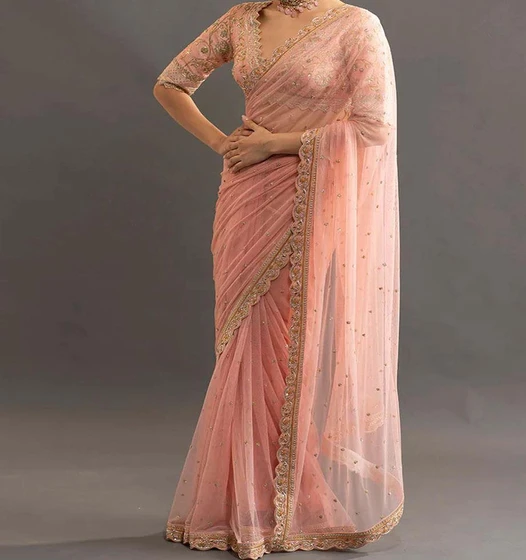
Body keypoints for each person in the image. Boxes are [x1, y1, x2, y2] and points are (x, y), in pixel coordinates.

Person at [153, 1, 403, 558]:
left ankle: (277, 500)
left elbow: (373, 124)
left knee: (281, 340)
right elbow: (171, 83)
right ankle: (238, 500)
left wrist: (275, 143)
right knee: (240, 338)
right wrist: (222, 143)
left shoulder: (355, 26)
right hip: (244, 191)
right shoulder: (244, 18)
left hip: (307, 192)